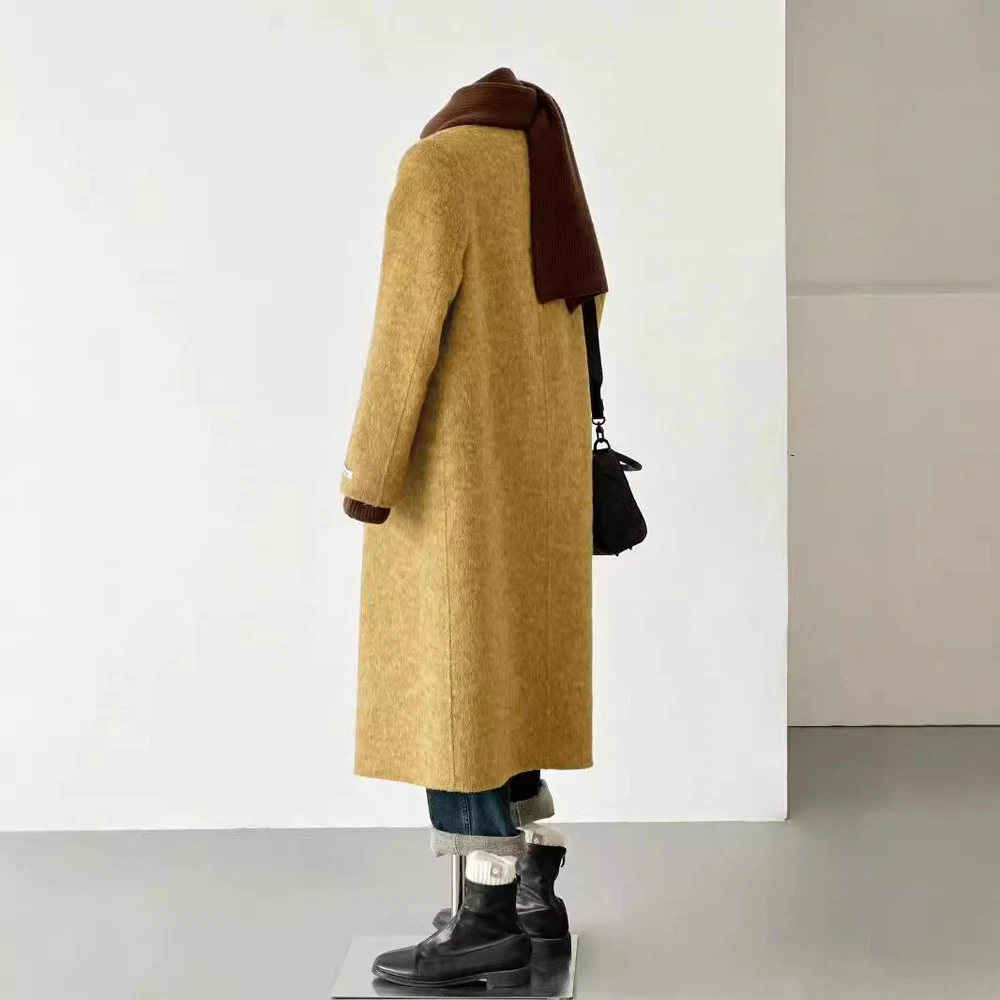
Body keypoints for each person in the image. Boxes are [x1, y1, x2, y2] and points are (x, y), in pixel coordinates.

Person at [340, 67, 608, 990]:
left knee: (452, 691)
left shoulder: (440, 168)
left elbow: (403, 332)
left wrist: (370, 473)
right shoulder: (545, 164)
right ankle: (536, 890)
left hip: (454, 478)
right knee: (513, 680)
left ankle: (484, 915)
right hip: (539, 473)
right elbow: (591, 309)